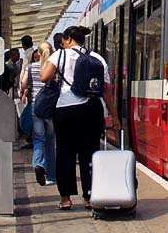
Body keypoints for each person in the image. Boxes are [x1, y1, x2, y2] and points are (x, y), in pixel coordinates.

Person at [40, 25, 116, 210]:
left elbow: (44, 76)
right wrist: (114, 115)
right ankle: (89, 197)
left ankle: (65, 198)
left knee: (65, 153)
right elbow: (106, 90)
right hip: (92, 108)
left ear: (67, 40)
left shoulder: (60, 55)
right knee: (89, 153)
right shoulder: (97, 58)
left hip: (66, 108)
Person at [23, 42, 57, 187]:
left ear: (37, 53)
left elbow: (23, 83)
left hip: (35, 107)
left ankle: (38, 163)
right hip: (50, 107)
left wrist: (26, 89)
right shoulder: (53, 67)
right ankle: (51, 175)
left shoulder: (31, 67)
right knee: (50, 141)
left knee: (38, 139)